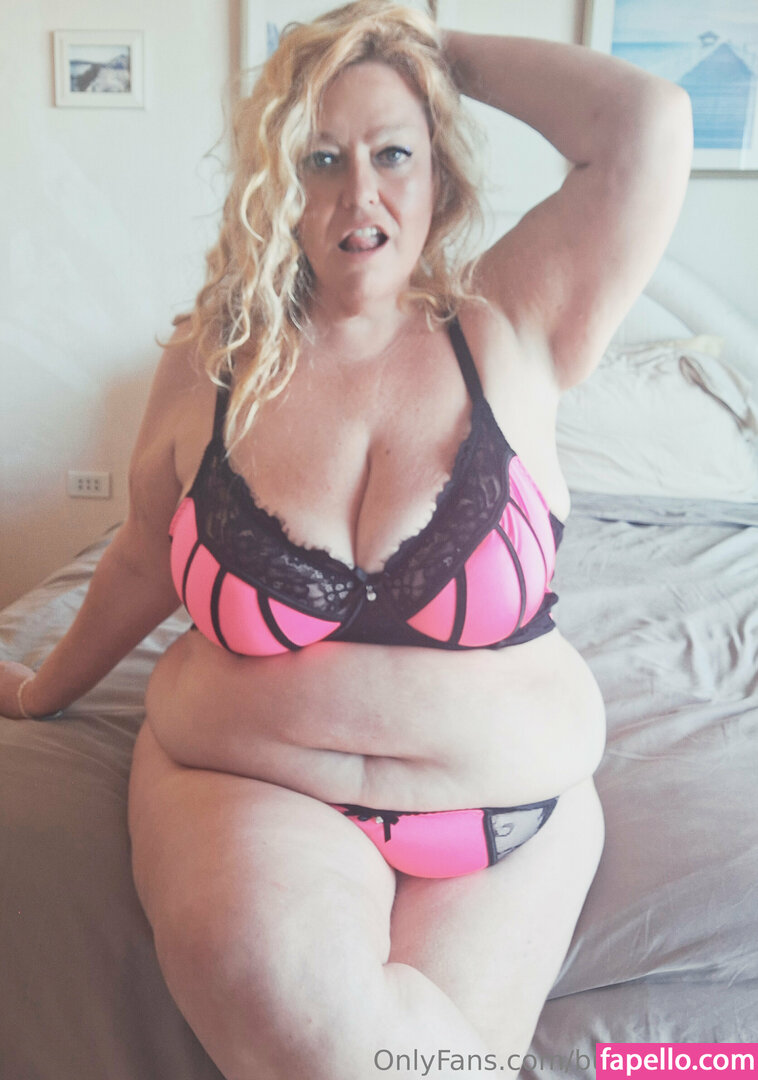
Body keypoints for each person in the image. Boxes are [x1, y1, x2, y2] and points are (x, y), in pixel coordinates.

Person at [0, 2, 692, 1077]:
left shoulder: (514, 323)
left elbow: (644, 123)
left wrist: (412, 45)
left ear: (439, 174)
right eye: (322, 158)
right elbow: (141, 552)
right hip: (257, 793)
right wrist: (45, 690)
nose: (359, 194)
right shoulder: (211, 365)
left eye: (392, 154)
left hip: (508, 823)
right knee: (335, 1041)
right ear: (280, 181)